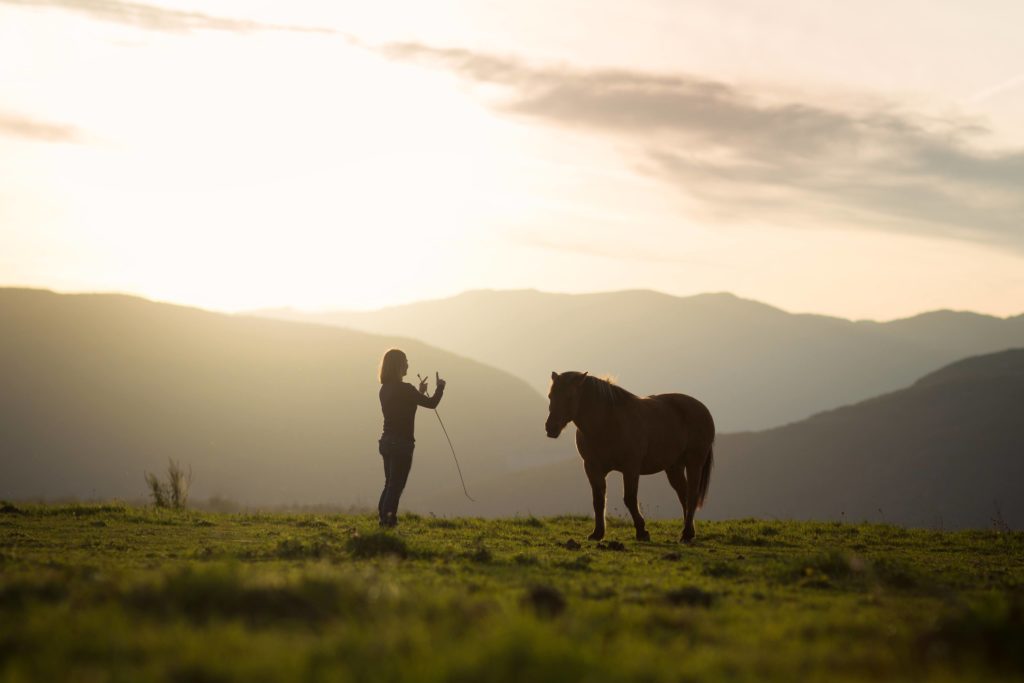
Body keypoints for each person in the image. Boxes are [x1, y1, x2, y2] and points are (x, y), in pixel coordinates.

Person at [376, 348, 446, 528]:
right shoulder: (405, 389)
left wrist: (419, 392)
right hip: (402, 444)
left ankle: (383, 519)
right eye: (405, 361)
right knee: (396, 486)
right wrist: (440, 387)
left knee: (389, 484)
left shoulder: (385, 390)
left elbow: (405, 407)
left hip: (386, 442)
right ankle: (388, 521)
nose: (408, 364)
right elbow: (431, 404)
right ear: (399, 365)